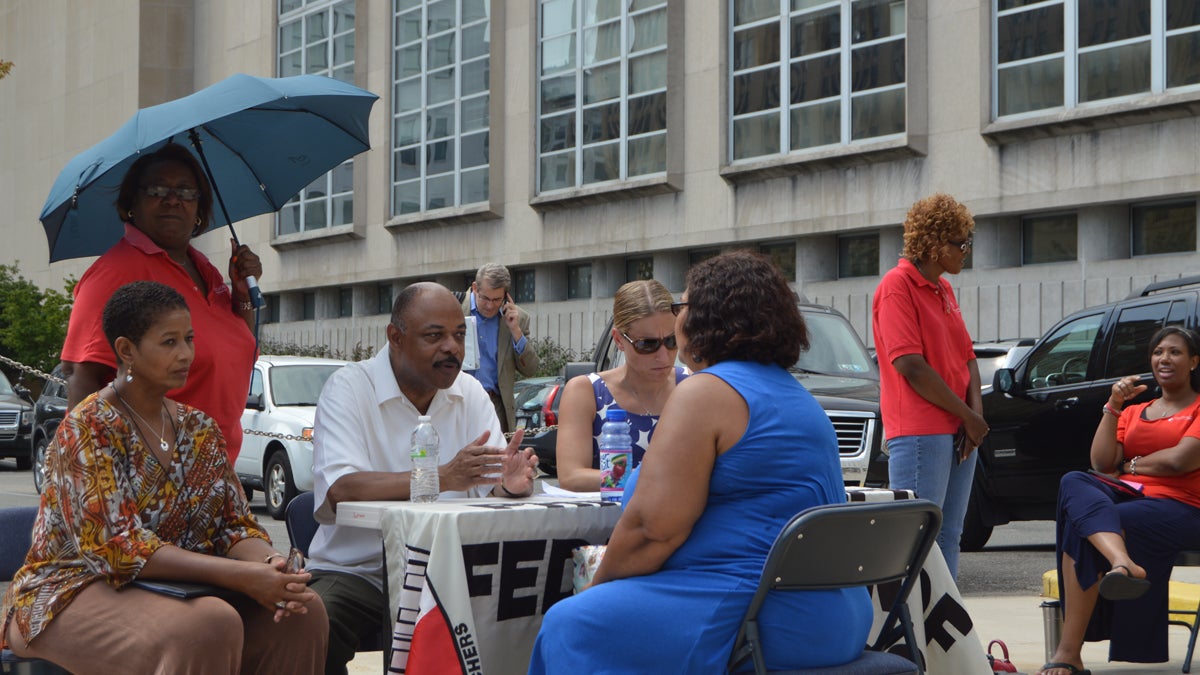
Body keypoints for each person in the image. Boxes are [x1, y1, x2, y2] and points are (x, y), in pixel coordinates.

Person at [529, 251, 872, 672]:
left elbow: (652, 532)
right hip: (833, 613)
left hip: (759, 615)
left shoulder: (706, 392)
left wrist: (597, 589)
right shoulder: (796, 395)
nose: (677, 318)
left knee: (569, 623)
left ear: (707, 318)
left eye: (681, 307)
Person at [0, 281, 326, 674]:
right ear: (126, 351)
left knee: (302, 611)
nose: (186, 353)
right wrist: (240, 576)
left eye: (189, 338)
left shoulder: (199, 428)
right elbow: (119, 549)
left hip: (177, 591)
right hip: (70, 591)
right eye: (169, 342)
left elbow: (234, 527)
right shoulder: (88, 428)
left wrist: (271, 565)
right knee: (207, 625)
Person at [305, 281, 540, 675]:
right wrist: (442, 477)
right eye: (435, 336)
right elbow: (341, 488)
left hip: (455, 571)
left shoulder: (471, 393)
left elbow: (489, 486)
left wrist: (508, 484)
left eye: (459, 335)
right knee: (311, 623)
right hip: (363, 572)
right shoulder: (349, 388)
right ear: (395, 337)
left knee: (536, 611)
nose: (452, 347)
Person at [61, 142, 261, 462]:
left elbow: (240, 348)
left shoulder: (204, 270)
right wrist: (91, 477)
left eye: (185, 191)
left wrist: (241, 294)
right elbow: (81, 375)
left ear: (200, 209)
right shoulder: (117, 271)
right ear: (131, 204)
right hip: (149, 479)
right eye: (156, 189)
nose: (172, 199)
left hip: (213, 473)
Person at [1038, 326, 1200, 675]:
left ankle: (1068, 653)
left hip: (1185, 507)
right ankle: (1122, 562)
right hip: (1131, 499)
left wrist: (1132, 465)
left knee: (1083, 525)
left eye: (1174, 352)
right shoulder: (1133, 411)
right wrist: (1113, 405)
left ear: (1193, 362)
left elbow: (1180, 461)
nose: (1164, 358)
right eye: (1158, 352)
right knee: (1073, 481)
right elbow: (1100, 463)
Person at [871, 192, 987, 578]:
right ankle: (912, 634)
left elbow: (967, 357)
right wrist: (968, 417)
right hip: (922, 431)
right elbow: (910, 365)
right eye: (960, 242)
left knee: (949, 535)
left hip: (956, 429)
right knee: (918, 540)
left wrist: (975, 419)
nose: (965, 251)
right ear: (936, 245)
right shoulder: (896, 286)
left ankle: (943, 635)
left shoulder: (944, 288)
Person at [555, 279, 687, 491]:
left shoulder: (692, 387)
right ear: (618, 340)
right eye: (647, 345)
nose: (663, 356)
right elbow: (571, 476)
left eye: (672, 341)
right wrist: (651, 479)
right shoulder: (587, 391)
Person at [459, 262, 539, 433]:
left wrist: (516, 331)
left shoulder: (518, 318)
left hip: (495, 406)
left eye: (497, 300)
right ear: (475, 288)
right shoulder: (453, 308)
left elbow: (531, 369)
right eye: (485, 298)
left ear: (506, 295)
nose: (490, 306)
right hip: (457, 402)